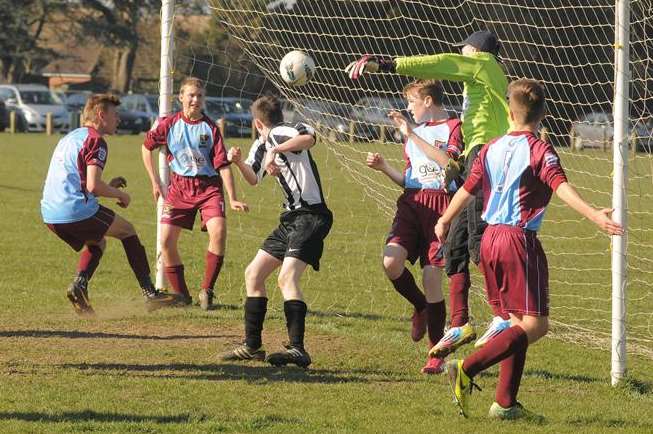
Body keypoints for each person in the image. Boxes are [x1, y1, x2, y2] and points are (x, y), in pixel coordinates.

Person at [434, 79, 623, 419]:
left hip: (489, 239)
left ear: (509, 112)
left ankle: (504, 403)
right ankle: (466, 368)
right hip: (518, 241)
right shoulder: (540, 150)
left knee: (514, 321)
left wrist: (445, 220)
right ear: (543, 114)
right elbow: (560, 187)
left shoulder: (490, 147)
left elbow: (468, 188)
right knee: (535, 326)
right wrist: (594, 214)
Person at [346, 30, 512, 357]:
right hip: (472, 162)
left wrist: (386, 63)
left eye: (464, 49)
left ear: (476, 52)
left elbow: (440, 63)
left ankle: (502, 315)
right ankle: (461, 322)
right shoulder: (480, 82)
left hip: (485, 158)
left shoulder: (483, 64)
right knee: (456, 246)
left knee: (478, 243)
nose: (460, 53)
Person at [41, 94, 182, 316]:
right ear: (101, 115)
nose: (119, 119)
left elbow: (79, 179)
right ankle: (150, 294)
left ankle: (80, 286)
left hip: (49, 213)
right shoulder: (96, 140)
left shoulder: (69, 138)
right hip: (74, 210)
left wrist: (109, 186)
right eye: (115, 115)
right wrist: (120, 195)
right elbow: (93, 186)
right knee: (128, 231)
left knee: (97, 241)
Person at [222, 95, 332, 368]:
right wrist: (238, 162)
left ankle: (298, 349)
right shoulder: (261, 143)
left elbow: (310, 136)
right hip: (290, 219)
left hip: (311, 216)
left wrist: (276, 150)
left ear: (257, 122)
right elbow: (253, 178)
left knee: (286, 278)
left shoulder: (280, 132)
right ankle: (252, 346)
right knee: (254, 273)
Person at [366, 80, 463, 374]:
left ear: (428, 100)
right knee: (390, 262)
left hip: (443, 206)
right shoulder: (413, 133)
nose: (408, 108)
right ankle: (420, 306)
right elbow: (410, 178)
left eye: (411, 102)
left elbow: (450, 163)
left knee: (432, 278)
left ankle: (437, 353)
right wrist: (384, 168)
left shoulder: (454, 126)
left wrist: (411, 134)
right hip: (411, 203)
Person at [142, 77, 248, 310]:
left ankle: (207, 290)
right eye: (191, 95)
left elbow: (223, 166)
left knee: (218, 232)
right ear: (181, 97)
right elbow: (145, 147)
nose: (195, 100)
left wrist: (232, 198)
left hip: (208, 188)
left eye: (199, 96)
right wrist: (156, 182)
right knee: (166, 241)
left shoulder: (210, 128)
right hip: (178, 188)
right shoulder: (168, 124)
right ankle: (181, 296)